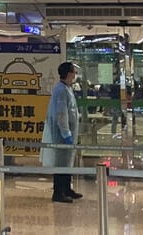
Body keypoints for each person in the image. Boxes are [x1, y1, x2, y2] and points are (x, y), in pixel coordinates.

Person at [41, 61, 81, 203]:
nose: (75, 74)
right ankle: (58, 192)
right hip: (62, 135)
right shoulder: (61, 90)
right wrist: (66, 134)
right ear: (69, 73)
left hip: (69, 132)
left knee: (67, 162)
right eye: (73, 72)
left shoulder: (67, 88)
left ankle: (67, 189)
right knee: (61, 163)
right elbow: (61, 114)